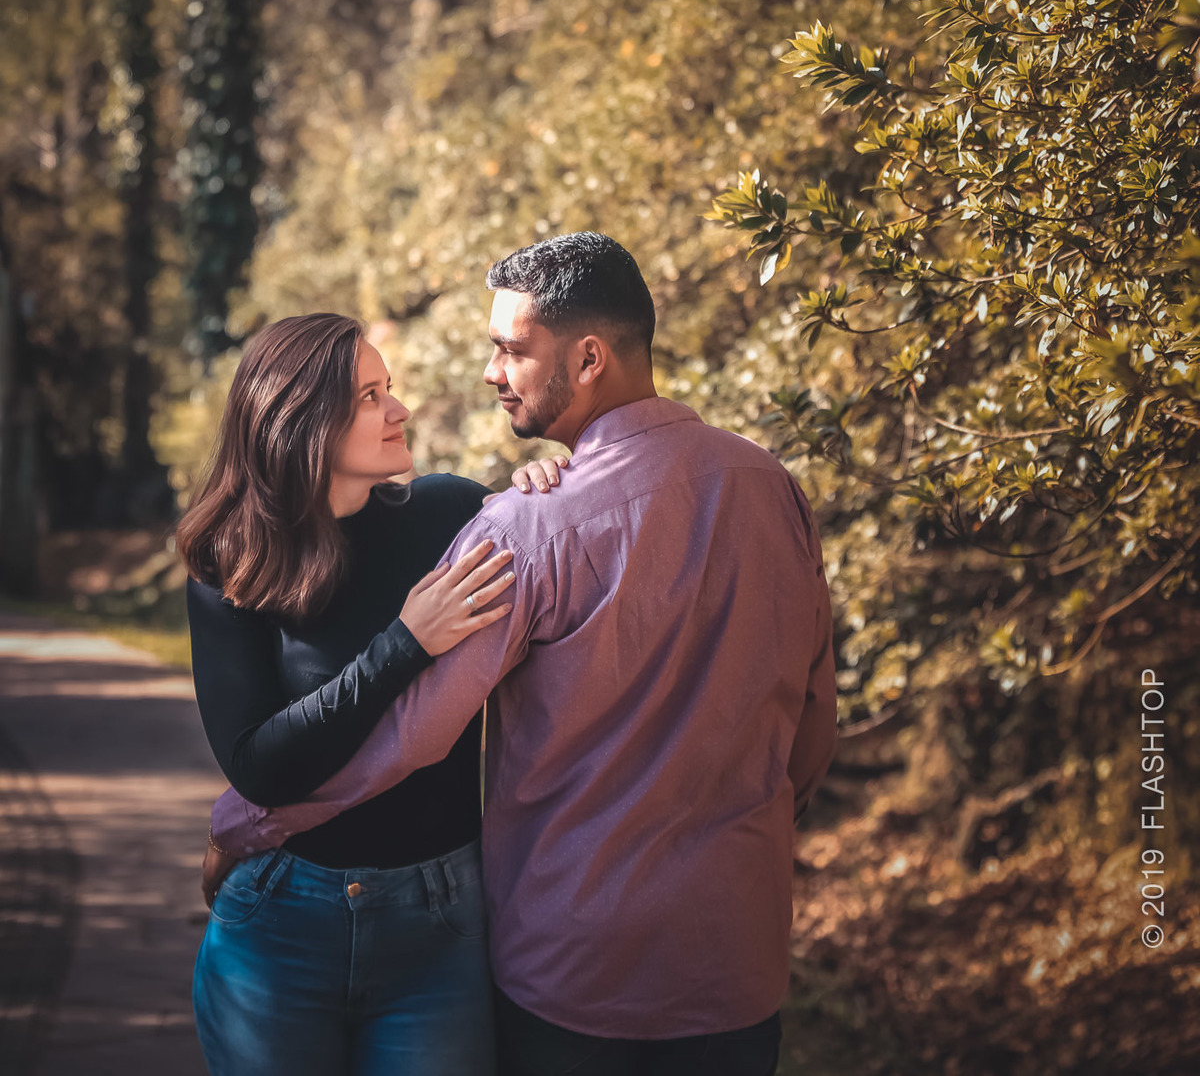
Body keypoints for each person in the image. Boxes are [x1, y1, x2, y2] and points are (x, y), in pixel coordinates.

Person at [208, 235, 838, 1076]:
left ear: (586, 358)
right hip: (736, 961)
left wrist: (246, 823)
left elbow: (417, 736)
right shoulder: (774, 487)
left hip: (573, 969)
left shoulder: (521, 530)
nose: (490, 371)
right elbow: (813, 718)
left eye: (509, 348)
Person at [180, 311, 557, 1076]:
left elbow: (558, 563)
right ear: (300, 420)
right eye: (369, 396)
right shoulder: (232, 561)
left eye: (389, 388)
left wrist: (540, 490)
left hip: (440, 923)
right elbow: (260, 766)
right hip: (281, 924)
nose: (400, 409)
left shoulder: (450, 514)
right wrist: (405, 642)